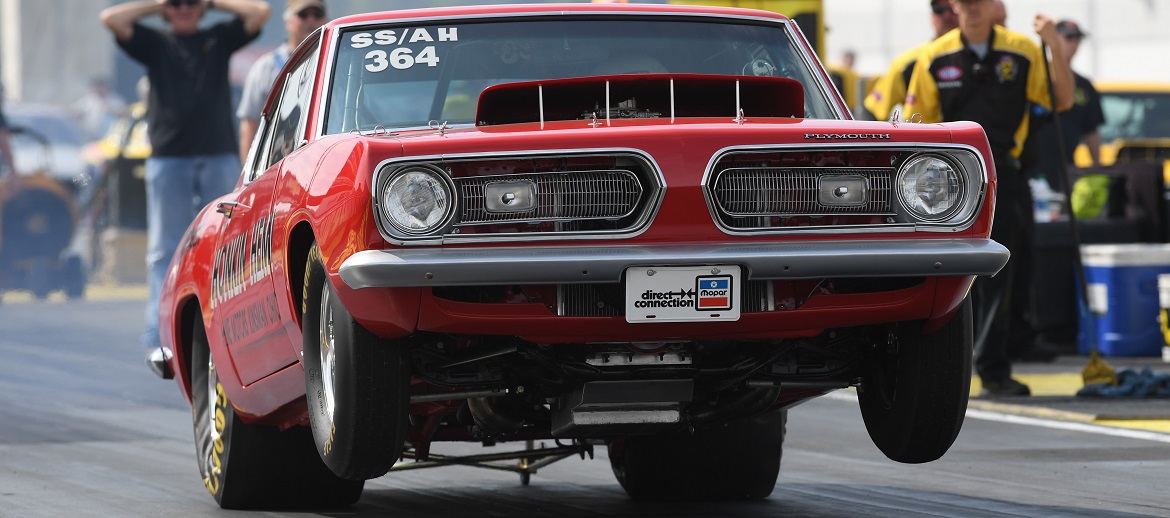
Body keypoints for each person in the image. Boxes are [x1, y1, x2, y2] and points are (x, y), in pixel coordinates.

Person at [904, 0, 1074, 397]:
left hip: (1004, 177)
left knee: (1000, 273)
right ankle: (937, 366)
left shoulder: (1022, 49)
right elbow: (915, 124)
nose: (973, 8)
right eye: (965, 2)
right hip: (944, 185)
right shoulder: (934, 55)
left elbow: (1061, 100)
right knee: (942, 275)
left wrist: (1053, 46)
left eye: (979, 1)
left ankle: (994, 368)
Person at [100, 0, 271, 376]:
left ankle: (227, 327)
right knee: (164, 249)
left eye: (190, 3)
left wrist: (210, 3)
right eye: (176, 4)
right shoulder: (154, 43)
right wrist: (160, 4)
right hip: (169, 158)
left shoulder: (218, 37)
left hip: (217, 154)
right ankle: (159, 338)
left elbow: (259, 12)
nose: (184, 9)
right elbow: (110, 18)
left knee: (228, 243)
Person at [237, 0, 328, 163]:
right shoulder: (266, 68)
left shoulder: (335, 64)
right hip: (276, 164)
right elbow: (250, 125)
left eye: (317, 14)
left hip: (322, 160)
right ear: (288, 22)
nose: (311, 20)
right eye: (303, 15)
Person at [863, 0, 958, 121]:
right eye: (938, 9)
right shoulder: (906, 64)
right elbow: (874, 111)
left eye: (953, 8)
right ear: (931, 16)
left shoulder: (986, 52)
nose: (947, 15)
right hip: (931, 138)